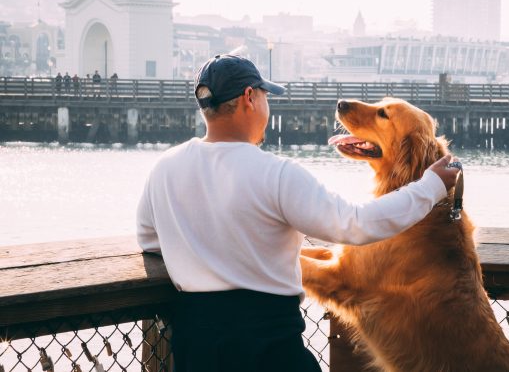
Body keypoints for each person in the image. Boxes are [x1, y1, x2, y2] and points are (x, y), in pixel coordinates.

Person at [136, 54, 461, 372]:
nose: (267, 105)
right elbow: (354, 224)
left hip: (196, 344)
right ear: (250, 98)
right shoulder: (276, 173)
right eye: (265, 96)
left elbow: (150, 242)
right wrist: (431, 185)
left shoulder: (163, 169)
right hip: (267, 341)